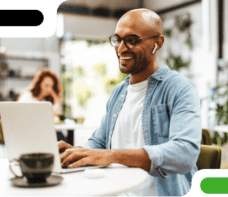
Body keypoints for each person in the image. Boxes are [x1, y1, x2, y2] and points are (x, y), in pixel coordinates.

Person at [59, 8, 201, 196]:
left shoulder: (179, 88)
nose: (121, 48)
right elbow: (98, 143)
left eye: (132, 40)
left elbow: (185, 154)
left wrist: (110, 156)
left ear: (157, 43)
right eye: (118, 40)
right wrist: (77, 152)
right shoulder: (119, 92)